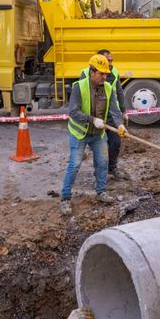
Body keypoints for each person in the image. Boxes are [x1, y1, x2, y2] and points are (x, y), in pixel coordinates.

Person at [61, 54, 128, 215]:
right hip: (79, 133)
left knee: (103, 162)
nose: (105, 76)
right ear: (92, 72)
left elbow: (114, 110)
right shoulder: (79, 86)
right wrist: (92, 119)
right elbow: (73, 111)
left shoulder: (108, 88)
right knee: (75, 164)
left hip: (98, 134)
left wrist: (119, 124)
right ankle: (65, 198)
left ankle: (101, 192)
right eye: (101, 73)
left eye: (106, 73)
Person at [80, 49, 128, 181]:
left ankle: (112, 167)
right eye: (109, 60)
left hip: (111, 114)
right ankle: (98, 173)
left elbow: (119, 92)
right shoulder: (86, 74)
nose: (111, 63)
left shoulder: (114, 72)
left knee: (115, 143)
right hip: (96, 115)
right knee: (99, 146)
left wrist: (123, 112)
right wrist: (92, 119)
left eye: (112, 60)